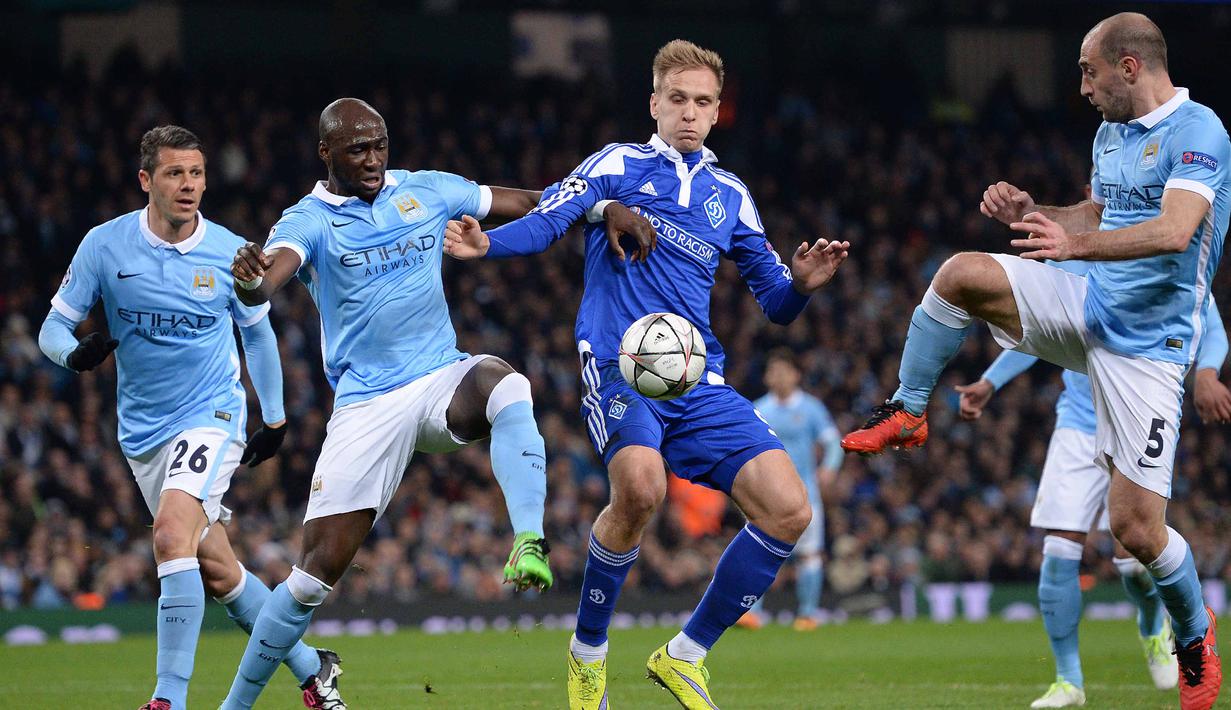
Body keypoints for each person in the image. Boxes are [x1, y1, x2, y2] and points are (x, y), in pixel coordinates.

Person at [444, 39, 849, 710]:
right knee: (639, 488)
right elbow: (550, 220)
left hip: (695, 376)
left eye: (703, 102)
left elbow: (774, 303)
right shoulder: (617, 163)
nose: (689, 113)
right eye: (678, 100)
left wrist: (802, 285)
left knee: (789, 510)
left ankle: (685, 655)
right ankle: (587, 654)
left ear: (719, 111)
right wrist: (490, 243)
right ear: (654, 103)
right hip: (617, 363)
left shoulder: (729, 196)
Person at [841, 13, 1227, 709]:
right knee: (958, 273)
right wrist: (1034, 212)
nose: (1080, 85)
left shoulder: (1198, 131)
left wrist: (1075, 248)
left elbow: (1174, 231)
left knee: (1134, 530)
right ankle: (906, 411)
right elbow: (1097, 214)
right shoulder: (1111, 132)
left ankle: (1194, 637)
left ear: (1129, 66)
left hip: (1149, 345)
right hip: (1087, 308)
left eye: (1088, 70)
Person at [216, 98, 651, 709]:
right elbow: (268, 276)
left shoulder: (428, 190)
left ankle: (529, 540)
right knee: (313, 576)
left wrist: (605, 206)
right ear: (326, 154)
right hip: (367, 404)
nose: (371, 159)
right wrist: (247, 278)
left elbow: (532, 202)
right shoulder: (308, 220)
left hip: (439, 378)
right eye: (356, 149)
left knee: (507, 385)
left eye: (378, 145)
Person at [37, 126, 345, 710]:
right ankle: (313, 668)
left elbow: (258, 336)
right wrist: (72, 354)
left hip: (212, 414)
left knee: (171, 534)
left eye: (197, 173)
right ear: (146, 181)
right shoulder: (104, 246)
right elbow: (53, 326)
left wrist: (274, 420)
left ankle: (167, 699)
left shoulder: (231, 252)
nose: (189, 185)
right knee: (218, 570)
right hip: (141, 432)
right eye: (175, 174)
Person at [959, 272, 1229, 707]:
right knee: (1059, 547)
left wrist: (1209, 373)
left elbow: (1211, 328)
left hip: (1136, 420)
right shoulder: (1078, 257)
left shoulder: (1166, 261)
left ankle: (1150, 626)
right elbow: (1035, 331)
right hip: (1078, 424)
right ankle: (1069, 681)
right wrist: (991, 381)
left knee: (1134, 553)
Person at [737, 348, 843, 631]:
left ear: (796, 375)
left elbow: (833, 442)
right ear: (767, 377)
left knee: (808, 554)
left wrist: (830, 468)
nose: (779, 376)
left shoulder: (811, 408)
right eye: (774, 371)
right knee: (758, 550)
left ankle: (807, 614)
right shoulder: (759, 408)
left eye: (785, 370)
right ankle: (752, 613)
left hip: (804, 493)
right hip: (764, 494)